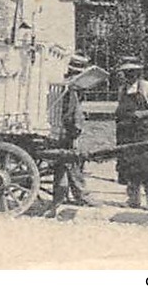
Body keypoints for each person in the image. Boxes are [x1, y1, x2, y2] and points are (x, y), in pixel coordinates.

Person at [47, 53, 94, 211]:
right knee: (72, 162)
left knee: (65, 165)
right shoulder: (71, 89)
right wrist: (75, 132)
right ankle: (80, 195)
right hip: (67, 131)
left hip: (61, 130)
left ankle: (61, 197)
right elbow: (72, 114)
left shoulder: (66, 85)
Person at [114, 56, 148, 209]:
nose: (129, 75)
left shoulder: (147, 88)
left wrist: (143, 114)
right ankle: (133, 199)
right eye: (126, 72)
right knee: (129, 167)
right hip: (126, 134)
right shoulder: (122, 89)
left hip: (143, 133)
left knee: (147, 167)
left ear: (138, 73)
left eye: (132, 72)